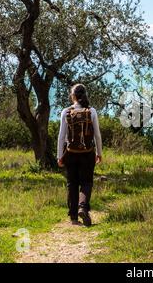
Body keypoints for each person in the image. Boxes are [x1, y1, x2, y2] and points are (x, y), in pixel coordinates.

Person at [57, 84, 102, 226]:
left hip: (70, 153)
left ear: (73, 96)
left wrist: (59, 156)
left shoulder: (66, 111)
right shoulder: (92, 111)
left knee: (72, 184)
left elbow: (61, 136)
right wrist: (99, 152)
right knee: (87, 182)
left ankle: (74, 217)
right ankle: (83, 207)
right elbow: (97, 135)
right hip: (88, 153)